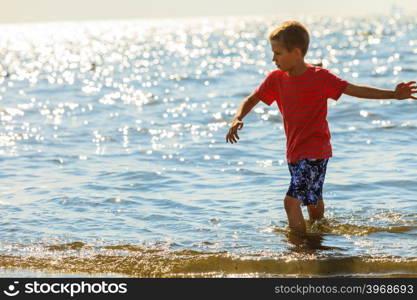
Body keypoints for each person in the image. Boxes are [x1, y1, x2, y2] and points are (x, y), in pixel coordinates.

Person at [225, 20, 417, 234]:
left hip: (316, 152)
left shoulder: (320, 78)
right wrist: (237, 117)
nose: (273, 59)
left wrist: (392, 94)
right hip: (294, 153)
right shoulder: (275, 80)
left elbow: (355, 90)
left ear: (296, 52)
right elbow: (252, 99)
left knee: (291, 203)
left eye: (278, 53)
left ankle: (300, 250)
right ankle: (321, 243)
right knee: (313, 205)